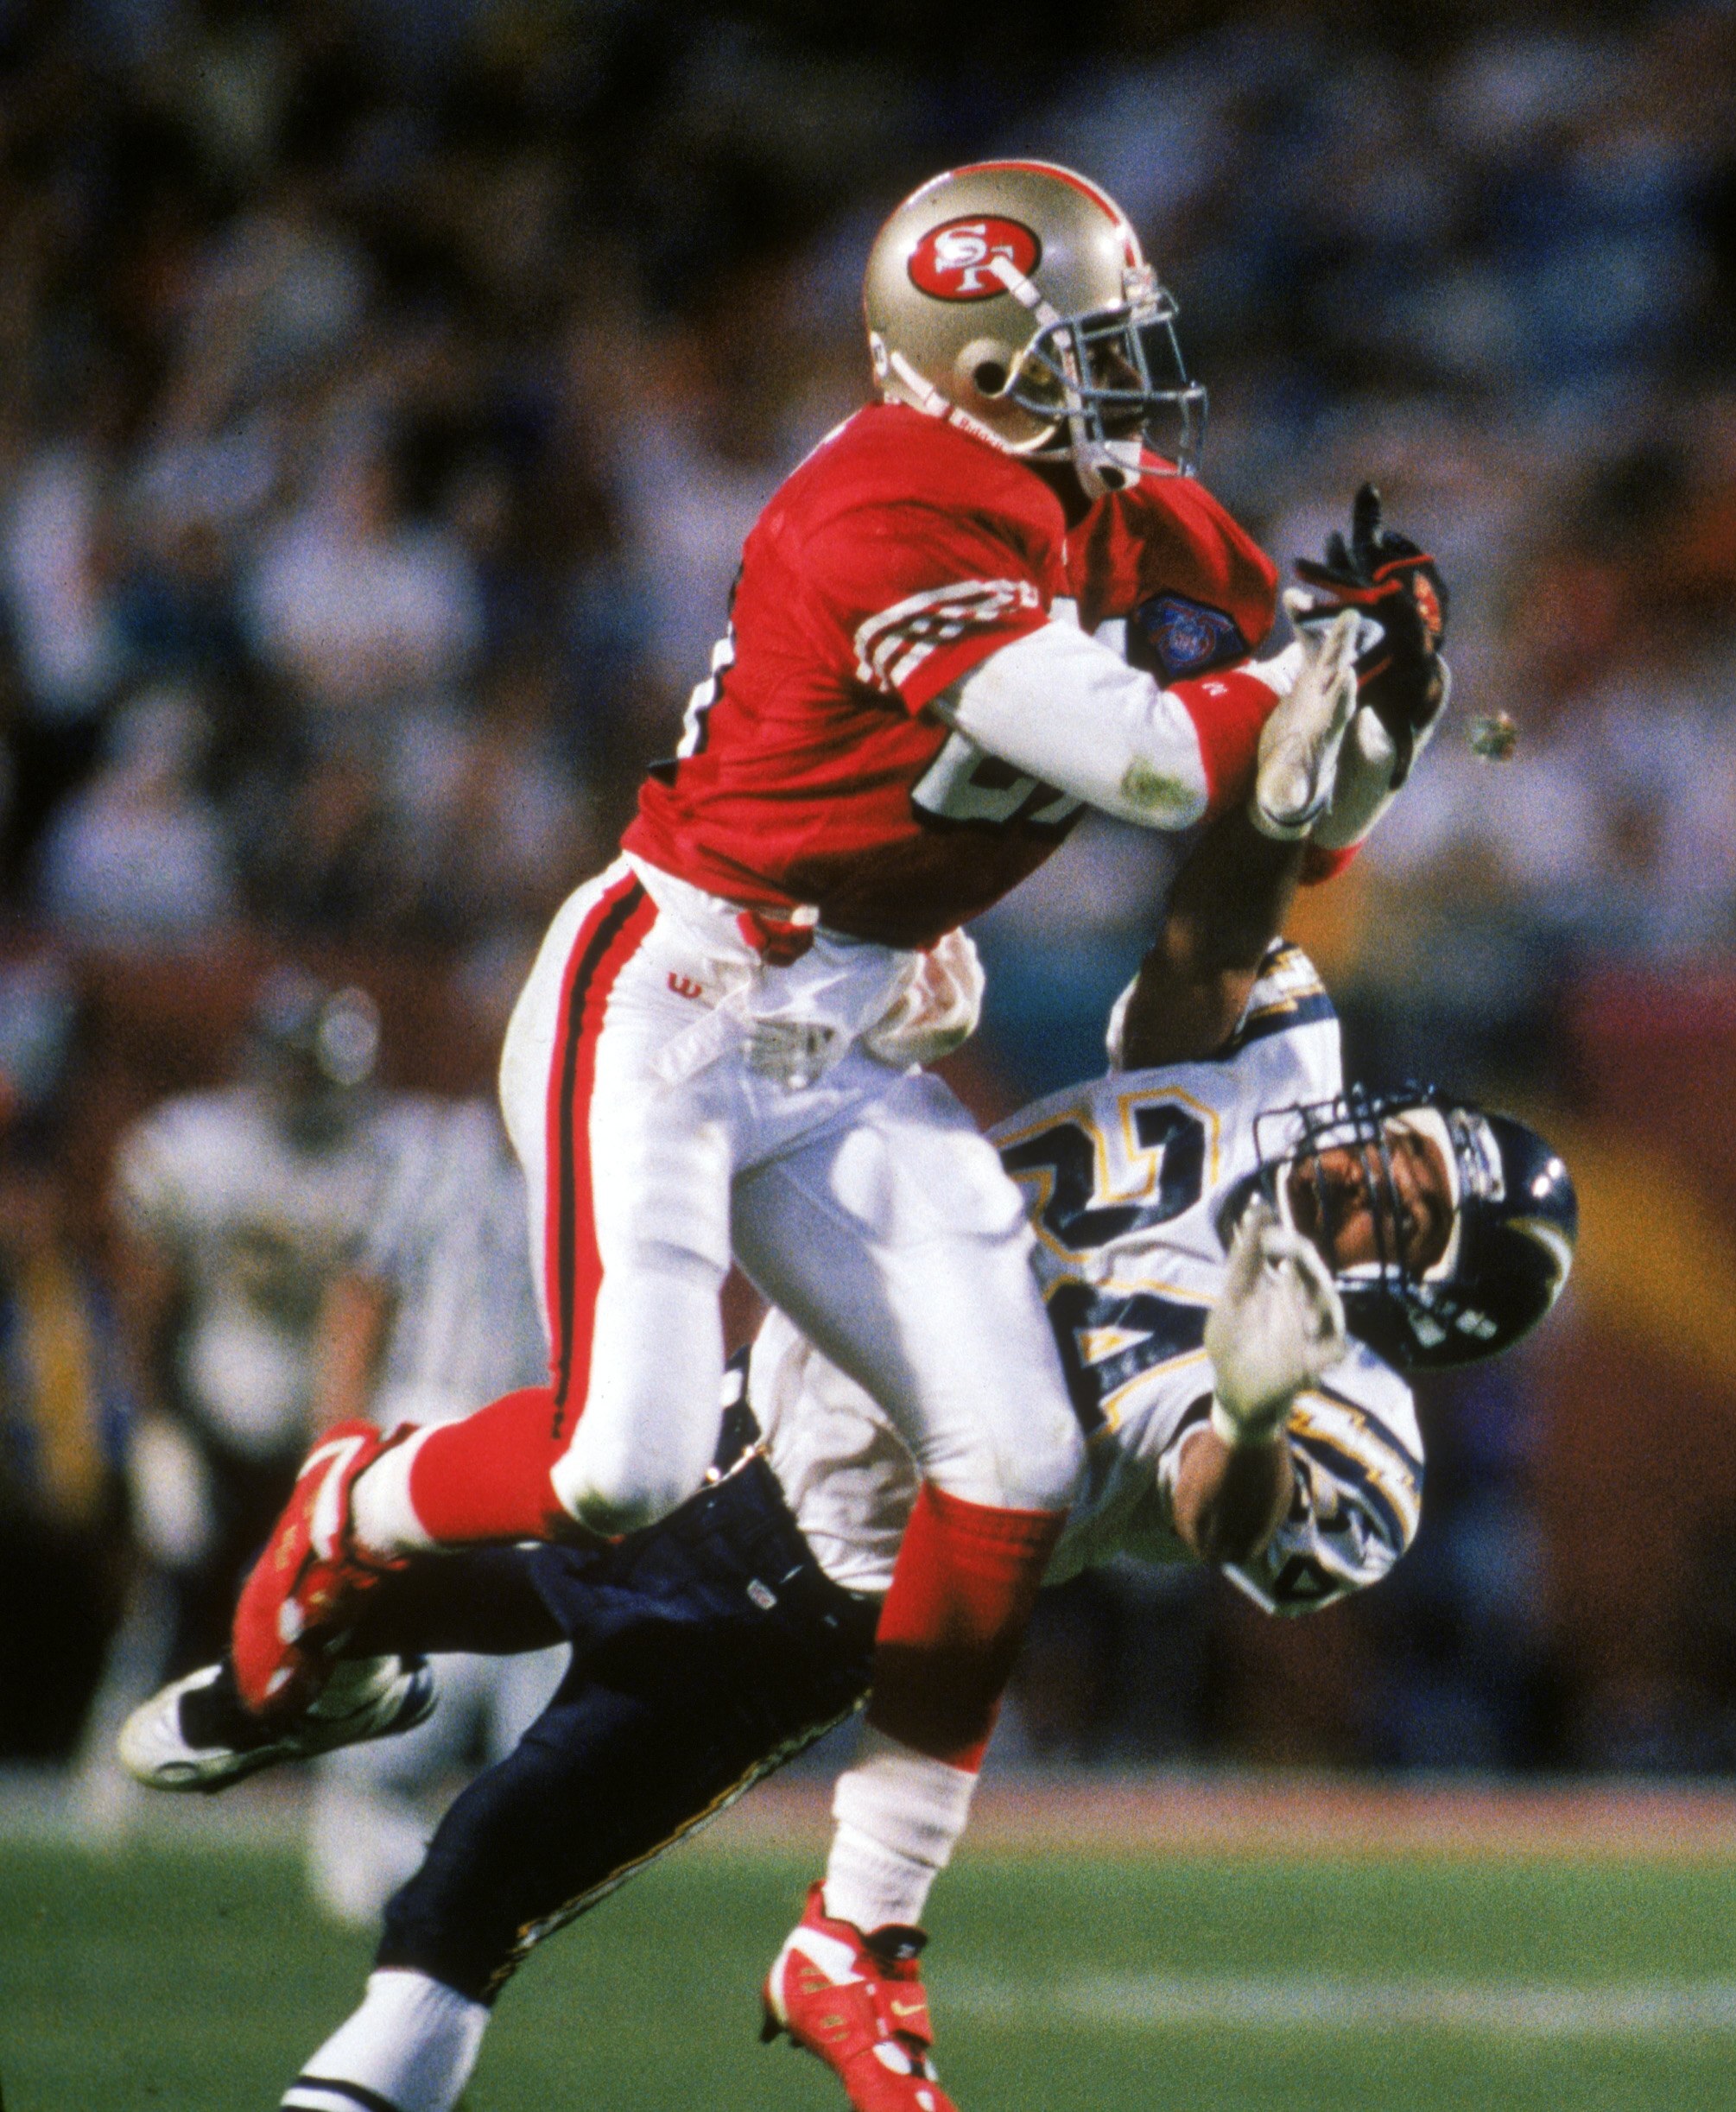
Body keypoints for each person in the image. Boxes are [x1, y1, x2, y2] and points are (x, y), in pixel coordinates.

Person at [218, 155, 1449, 1996]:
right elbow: (1137, 764)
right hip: (683, 983)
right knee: (617, 1458)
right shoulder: (881, 504)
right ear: (969, 364)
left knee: (1013, 1449)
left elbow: (1284, 815)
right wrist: (1303, 698)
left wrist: (1373, 718)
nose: (1128, 381)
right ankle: (351, 1509)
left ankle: (860, 1937)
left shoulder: (1151, 524)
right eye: (1084, 349)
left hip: (859, 1016)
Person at [125, 802, 1574, 2112]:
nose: (1374, 1170)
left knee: (477, 1897)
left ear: (1419, 1306)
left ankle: (334, 1709)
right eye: (1413, 1149)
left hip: (827, 1589)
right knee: (443, 1574)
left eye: (1408, 1212)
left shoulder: (1349, 1408)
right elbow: (1208, 942)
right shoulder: (1279, 1070)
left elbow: (1214, 1510)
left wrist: (1254, 1409)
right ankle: (295, 1643)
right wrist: (1299, 783)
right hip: (749, 1407)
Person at [69, 972, 428, 1836]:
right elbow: (145, 1297)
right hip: (213, 1399)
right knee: (171, 1590)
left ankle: (341, 1802)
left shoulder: (387, 1157)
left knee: (334, 1604)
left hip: (327, 1416)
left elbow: (375, 1313)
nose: (303, 1091)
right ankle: (107, 1771)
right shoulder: (199, 1146)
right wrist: (156, 1427)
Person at [300, 1094, 567, 1926]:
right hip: (432, 1417)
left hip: (544, 1435)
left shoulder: (585, 1152)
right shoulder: (428, 1149)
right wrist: (334, 1451)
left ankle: (487, 1859)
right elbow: (361, 1298)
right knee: (431, 1673)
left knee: (539, 1691)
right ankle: (357, 1824)